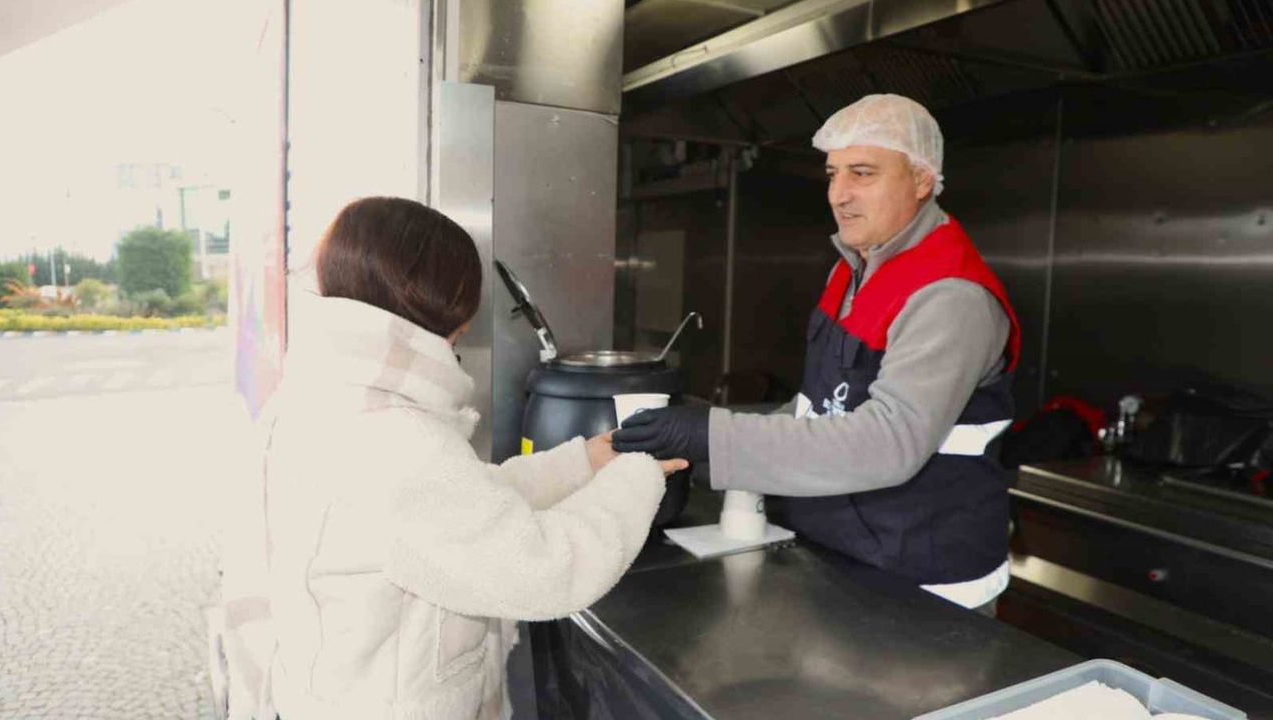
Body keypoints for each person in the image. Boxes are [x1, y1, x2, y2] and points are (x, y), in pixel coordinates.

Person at [230, 196, 686, 720]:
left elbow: (457, 507)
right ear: (442, 307)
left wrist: (582, 464)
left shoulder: (319, 398)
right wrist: (636, 478)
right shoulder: (394, 437)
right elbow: (543, 570)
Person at [613, 94, 1021, 613]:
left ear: (922, 180)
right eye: (832, 174)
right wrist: (707, 447)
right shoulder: (850, 271)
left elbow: (887, 442)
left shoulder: (949, 296)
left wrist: (714, 435)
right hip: (842, 558)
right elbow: (820, 408)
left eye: (863, 173)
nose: (839, 195)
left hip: (925, 587)